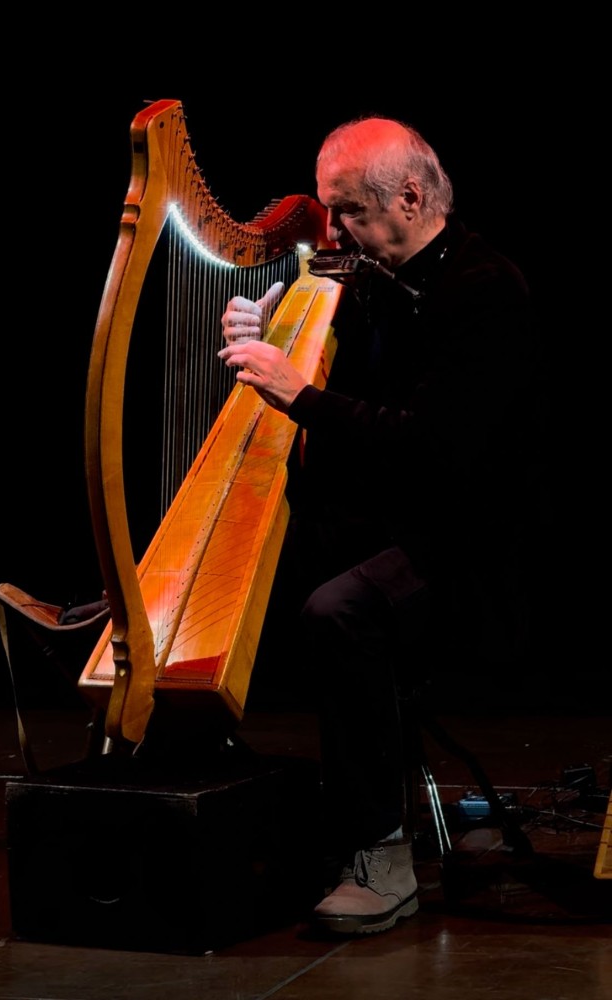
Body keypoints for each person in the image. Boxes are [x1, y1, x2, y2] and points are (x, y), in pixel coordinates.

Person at [218, 115, 544, 936]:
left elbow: (431, 451)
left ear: (410, 198)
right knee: (237, 568)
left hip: (469, 548)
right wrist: (261, 340)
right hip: (390, 520)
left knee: (342, 609)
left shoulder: (486, 291)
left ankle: (380, 854)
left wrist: (299, 394)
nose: (334, 233)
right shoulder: (369, 281)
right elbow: (347, 405)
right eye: (329, 213)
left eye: (349, 212)